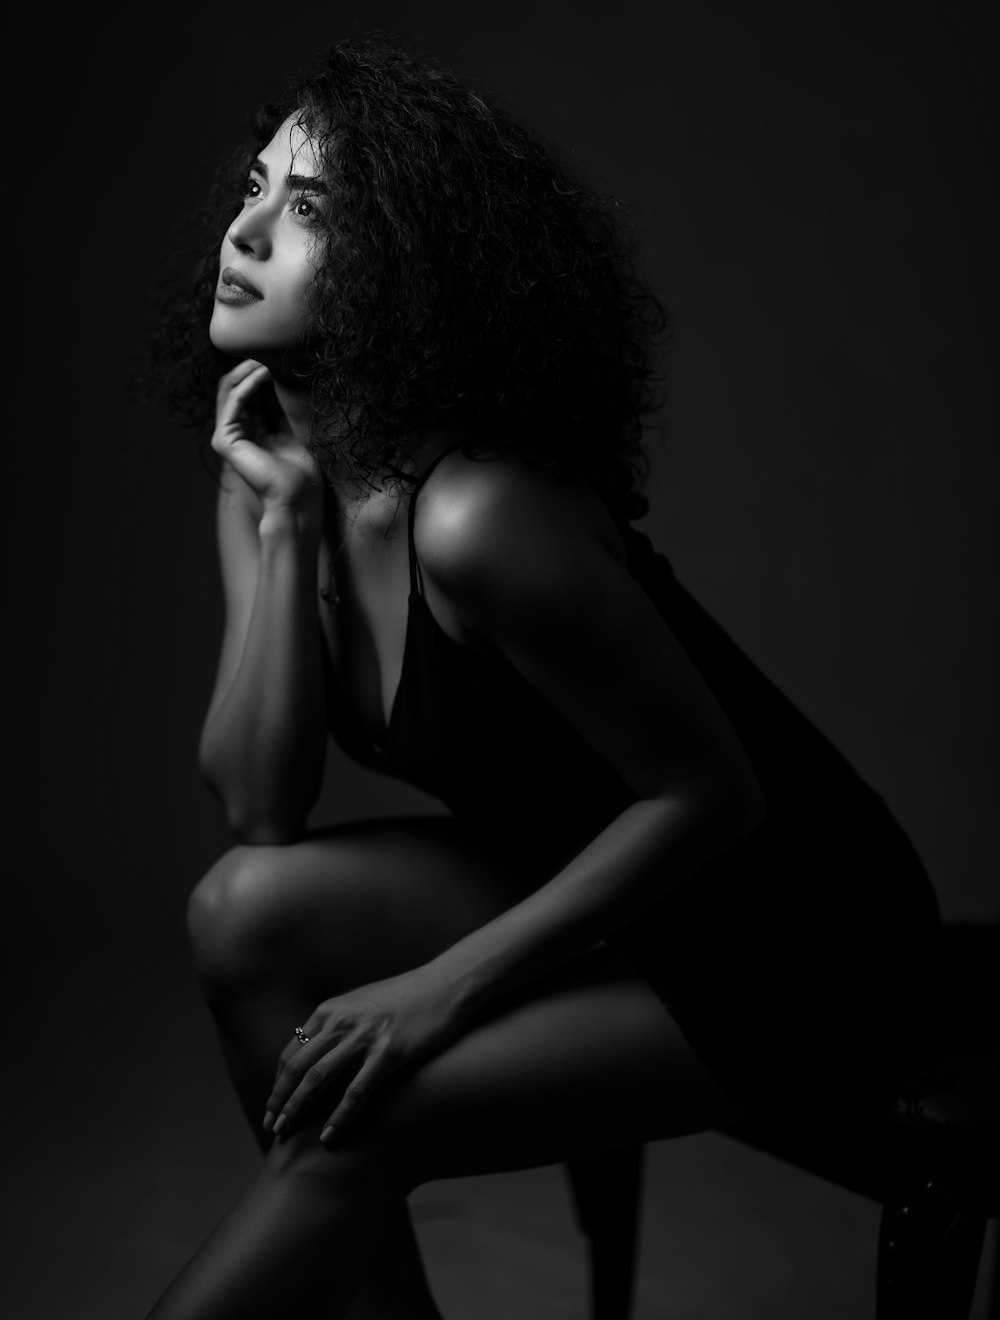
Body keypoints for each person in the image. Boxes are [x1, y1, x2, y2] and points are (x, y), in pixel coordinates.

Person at [145, 33, 944, 1320]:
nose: (244, 232)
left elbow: (711, 796)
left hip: (790, 936)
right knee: (239, 906)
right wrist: (283, 533)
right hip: (603, 895)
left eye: (307, 211)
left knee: (358, 1133)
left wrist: (433, 992)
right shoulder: (274, 476)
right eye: (254, 184)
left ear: (403, 271)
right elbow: (260, 811)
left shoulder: (477, 515)